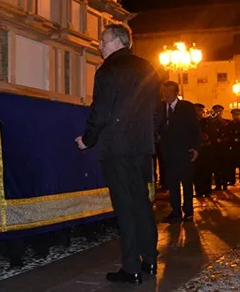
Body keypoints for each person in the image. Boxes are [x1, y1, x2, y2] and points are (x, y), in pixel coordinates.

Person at [75, 23, 161, 285]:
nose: (99, 45)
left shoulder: (108, 70)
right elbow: (157, 113)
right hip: (142, 148)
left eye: (102, 41)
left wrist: (87, 140)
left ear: (116, 42)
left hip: (118, 149)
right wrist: (148, 136)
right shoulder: (148, 69)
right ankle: (150, 260)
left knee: (124, 207)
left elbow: (100, 111)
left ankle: (131, 267)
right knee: (142, 204)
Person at [159, 81, 200, 221]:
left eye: (170, 91)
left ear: (176, 92)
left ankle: (188, 210)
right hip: (168, 153)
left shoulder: (186, 107)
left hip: (184, 152)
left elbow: (195, 129)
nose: (167, 94)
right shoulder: (160, 107)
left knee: (187, 183)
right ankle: (175, 211)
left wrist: (196, 148)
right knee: (172, 183)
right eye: (165, 91)